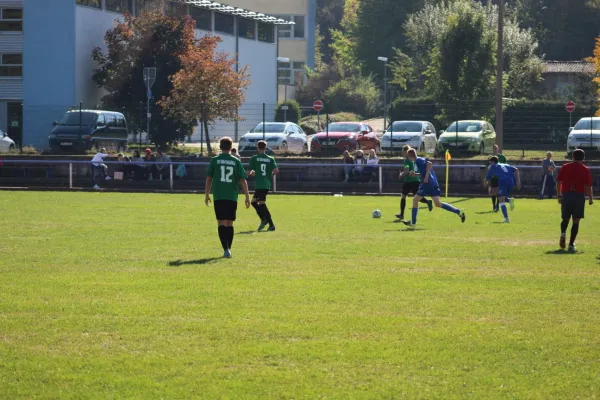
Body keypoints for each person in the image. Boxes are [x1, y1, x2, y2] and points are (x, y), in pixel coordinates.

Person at [205, 137, 251, 259]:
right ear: (231, 148)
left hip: (219, 196)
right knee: (229, 223)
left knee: (220, 222)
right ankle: (229, 249)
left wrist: (207, 194)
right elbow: (243, 180)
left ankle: (225, 249)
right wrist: (247, 196)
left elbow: (209, 178)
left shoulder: (215, 161)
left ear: (220, 147)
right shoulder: (236, 161)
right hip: (232, 196)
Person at [402, 149, 465, 228]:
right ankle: (459, 212)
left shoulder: (418, 160)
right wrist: (416, 174)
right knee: (438, 203)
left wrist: (427, 176)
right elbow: (424, 173)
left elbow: (429, 163)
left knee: (415, 200)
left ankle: (413, 223)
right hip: (432, 183)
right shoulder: (418, 161)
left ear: (410, 157)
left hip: (427, 184)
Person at [556, 149, 593, 253]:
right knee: (576, 221)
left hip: (566, 195)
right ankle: (571, 244)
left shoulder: (565, 167)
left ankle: (563, 233)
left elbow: (559, 181)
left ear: (572, 156)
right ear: (583, 158)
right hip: (579, 196)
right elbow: (588, 186)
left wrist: (559, 195)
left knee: (565, 218)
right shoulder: (585, 169)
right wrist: (590, 198)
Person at [247, 140, 280, 231]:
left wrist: (254, 173)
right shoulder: (270, 158)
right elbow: (276, 171)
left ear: (257, 148)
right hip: (265, 184)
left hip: (259, 184)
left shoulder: (254, 158)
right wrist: (269, 173)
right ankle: (264, 219)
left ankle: (271, 224)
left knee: (261, 203)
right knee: (253, 202)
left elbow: (248, 172)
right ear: (265, 148)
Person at [397, 145, 433, 220]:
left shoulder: (407, 160)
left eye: (403, 151)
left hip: (409, 181)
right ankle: (427, 202)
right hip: (417, 180)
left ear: (405, 152)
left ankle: (402, 214)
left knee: (404, 196)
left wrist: (401, 174)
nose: (402, 153)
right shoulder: (416, 159)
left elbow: (406, 171)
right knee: (417, 197)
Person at [485, 156, 521, 223]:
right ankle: (509, 200)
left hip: (503, 181)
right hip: (511, 182)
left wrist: (485, 183)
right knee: (501, 196)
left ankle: (507, 219)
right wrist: (518, 181)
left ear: (493, 162)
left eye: (490, 162)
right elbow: (516, 169)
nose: (490, 164)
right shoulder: (505, 164)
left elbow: (487, 178)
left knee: (501, 199)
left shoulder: (493, 166)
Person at [486, 144, 507, 212]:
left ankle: (497, 205)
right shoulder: (490, 158)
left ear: (498, 149)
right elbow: (489, 168)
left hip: (500, 178)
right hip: (493, 178)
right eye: (493, 149)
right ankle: (494, 205)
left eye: (496, 148)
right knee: (493, 192)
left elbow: (505, 166)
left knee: (499, 192)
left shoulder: (502, 157)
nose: (494, 150)